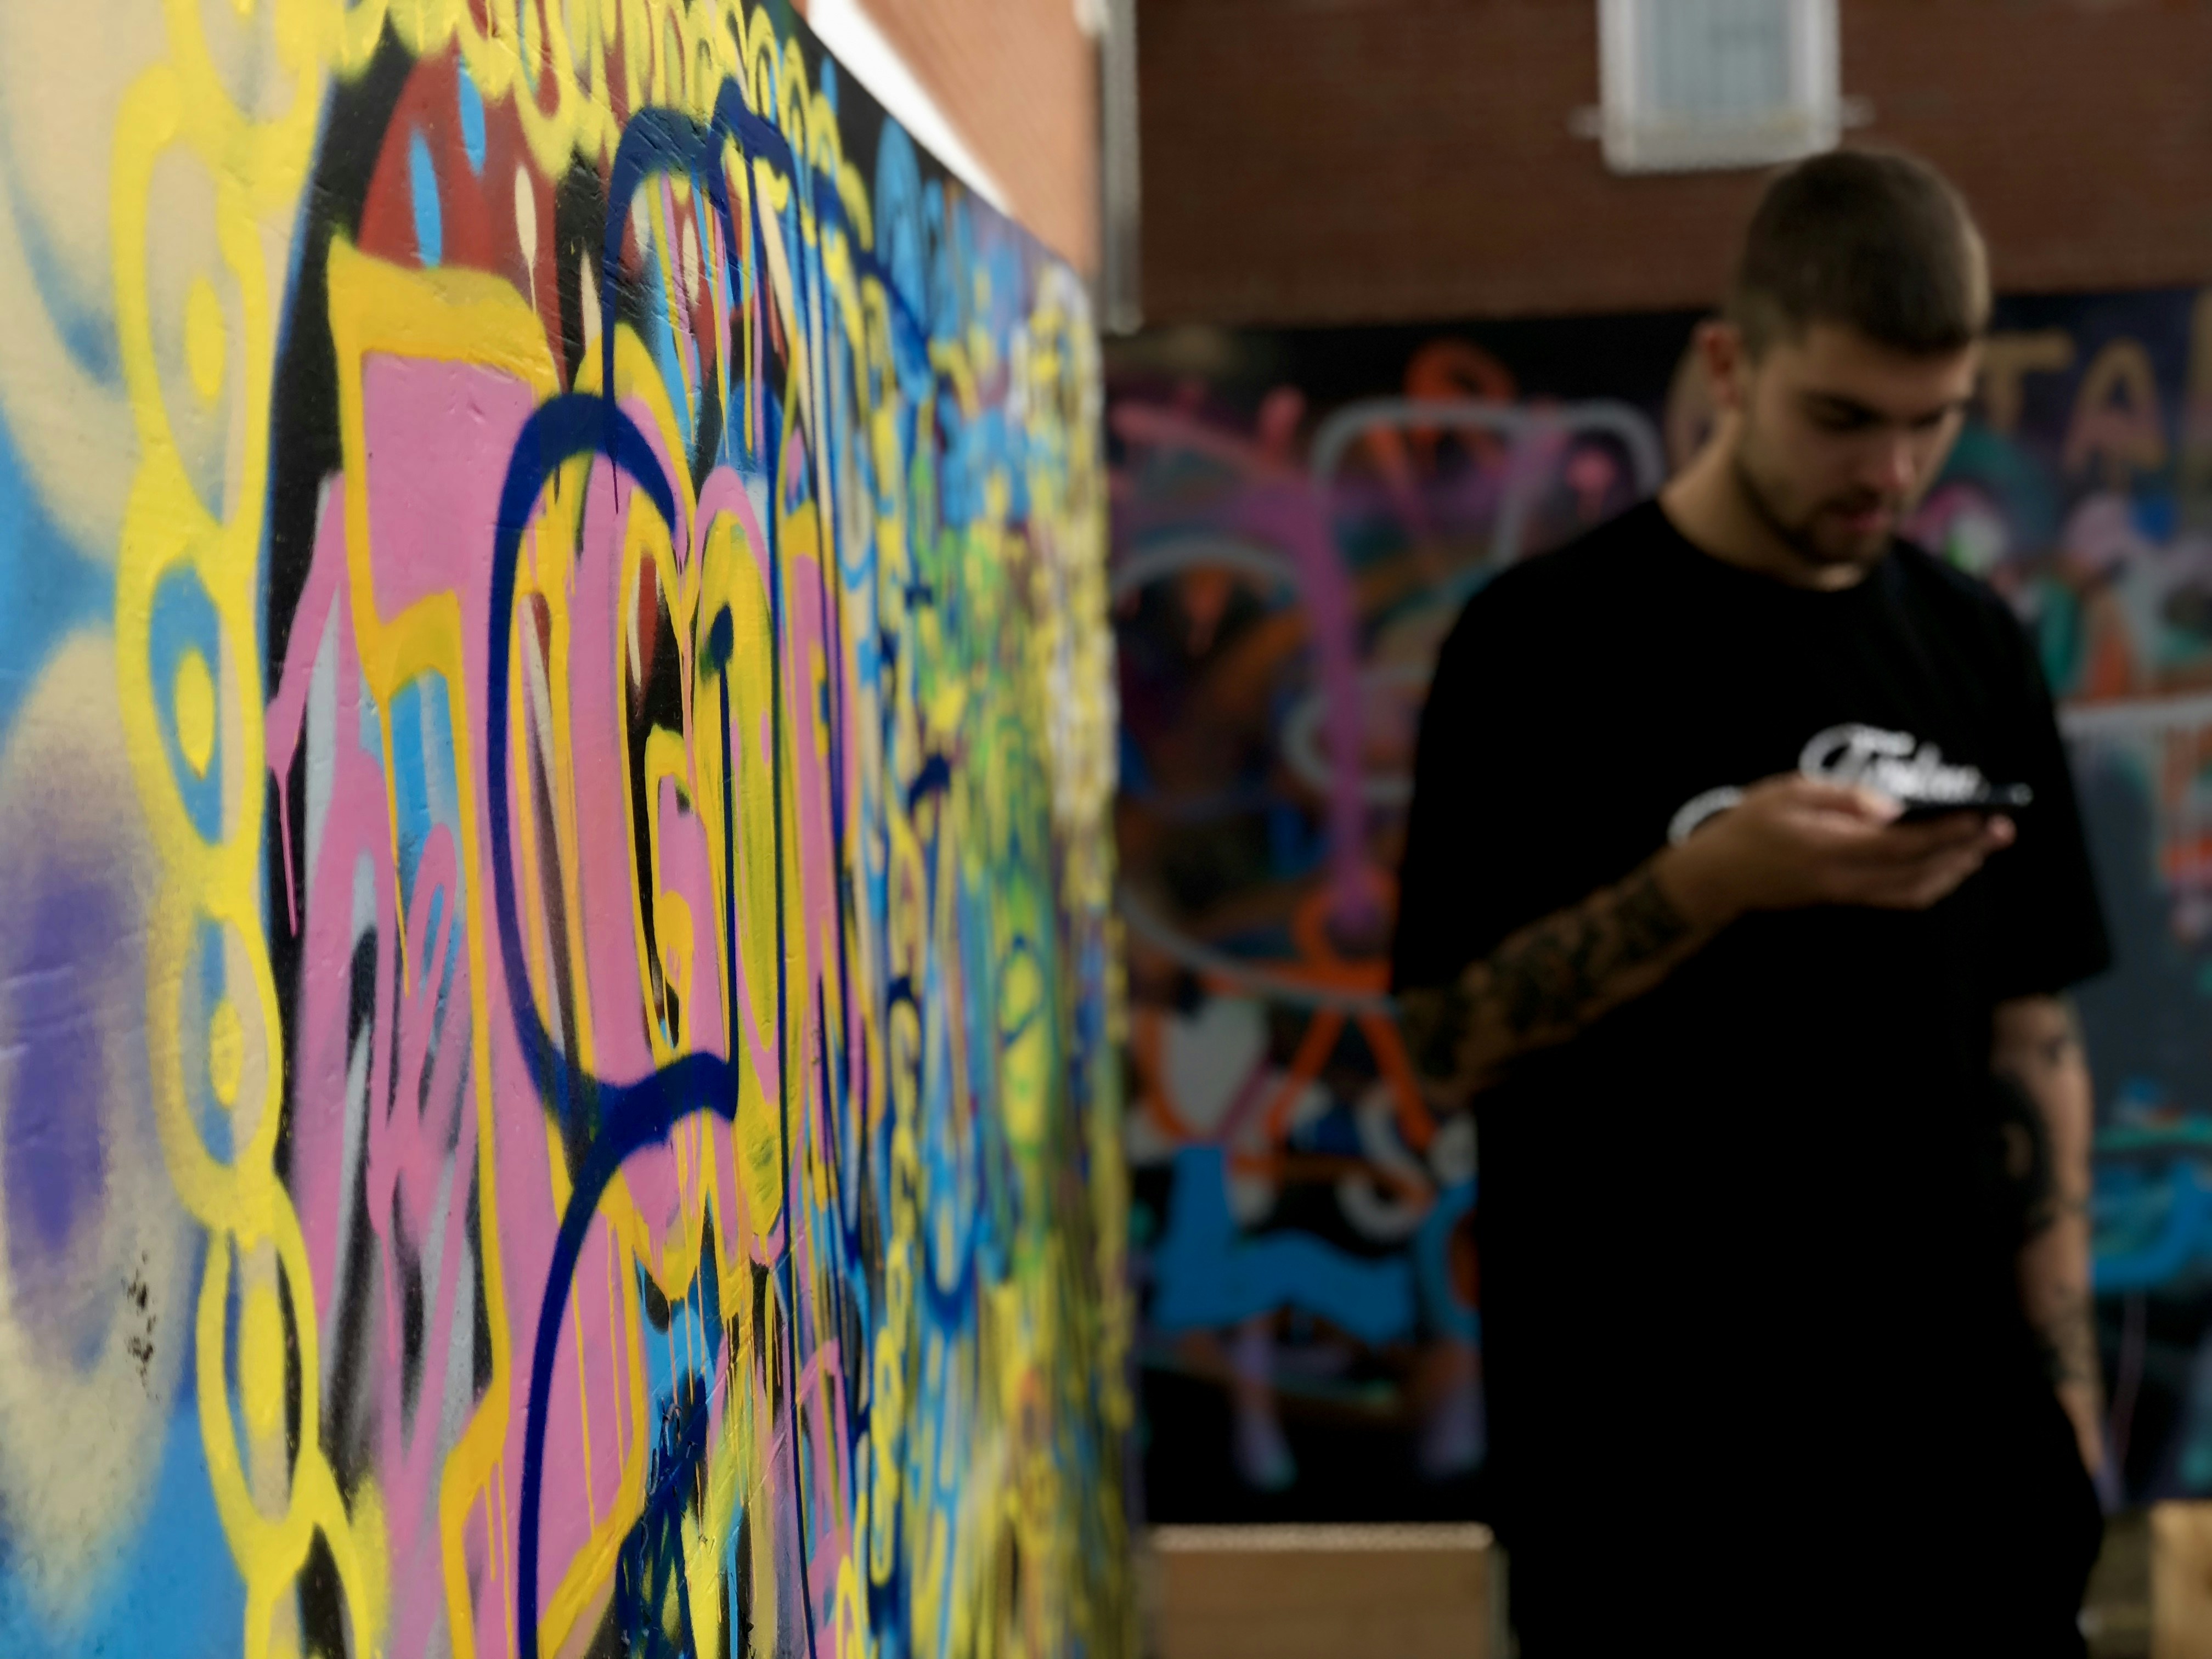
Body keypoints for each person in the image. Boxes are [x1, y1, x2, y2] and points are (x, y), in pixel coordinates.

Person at [1391, 149, 2109, 1654]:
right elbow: (1449, 1038)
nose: (1890, 474)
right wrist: (1710, 884)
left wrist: (2068, 1397)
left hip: (1961, 1470)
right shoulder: (1540, 649)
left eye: (1934, 424)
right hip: (1657, 1487)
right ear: (1730, 364)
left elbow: (2030, 1030)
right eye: (1842, 419)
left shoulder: (1975, 645)